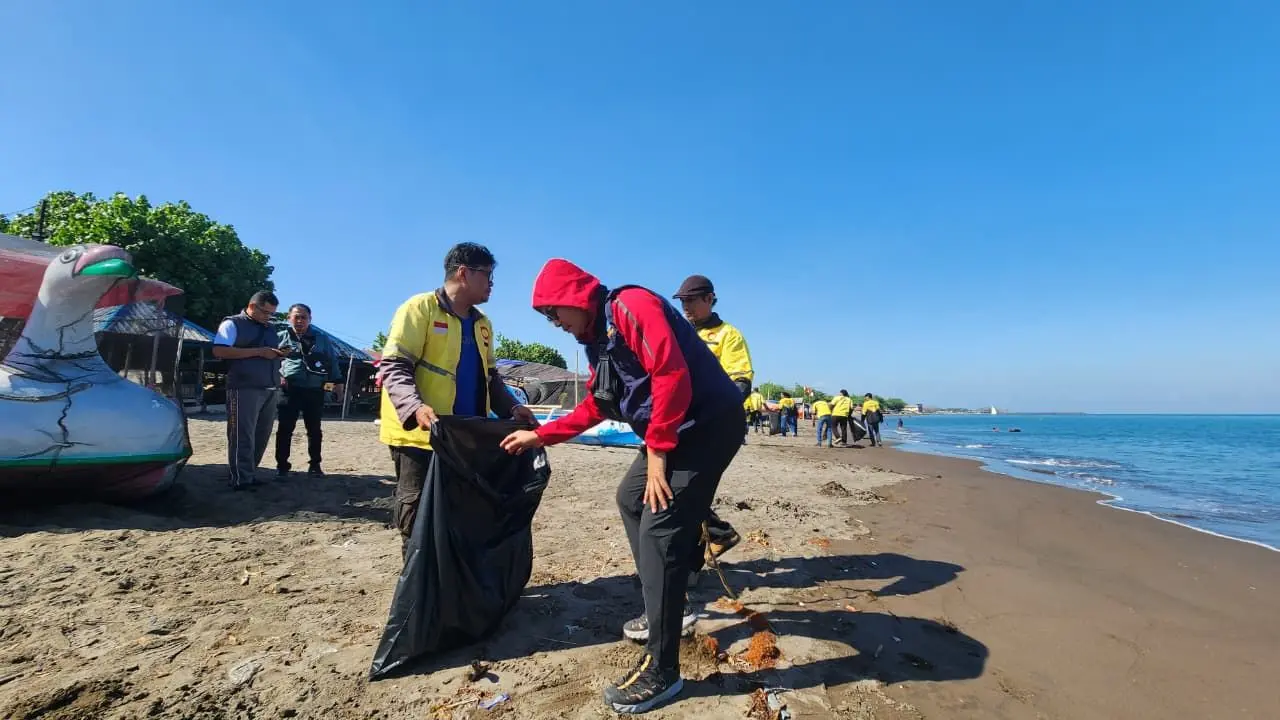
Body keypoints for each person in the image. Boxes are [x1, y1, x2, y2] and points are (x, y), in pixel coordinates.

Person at [501, 259, 744, 715]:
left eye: (554, 313)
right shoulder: (597, 341)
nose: (555, 324)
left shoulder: (631, 305)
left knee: (660, 527)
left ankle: (663, 670)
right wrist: (541, 434)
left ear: (575, 298)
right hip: (676, 430)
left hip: (709, 425)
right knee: (630, 499)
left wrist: (657, 452)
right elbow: (599, 402)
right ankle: (671, 604)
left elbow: (671, 372)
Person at [378, 243, 536, 559]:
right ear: (464, 273)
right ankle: (419, 590)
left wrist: (512, 408)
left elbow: (491, 379)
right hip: (419, 437)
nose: (492, 283)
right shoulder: (418, 309)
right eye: (488, 275)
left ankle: (454, 584)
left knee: (462, 512)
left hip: (466, 437)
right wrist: (413, 407)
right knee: (417, 513)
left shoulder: (482, 324)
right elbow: (394, 365)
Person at [672, 274, 750, 560]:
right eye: (682, 302)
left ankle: (692, 562)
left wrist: (712, 413)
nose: (686, 307)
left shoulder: (728, 335)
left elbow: (740, 382)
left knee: (687, 489)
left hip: (712, 427)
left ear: (710, 298)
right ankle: (717, 534)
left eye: (692, 300)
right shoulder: (680, 332)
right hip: (681, 423)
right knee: (677, 487)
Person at [213, 291, 288, 490]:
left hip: (270, 386)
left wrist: (278, 355)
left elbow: (266, 354)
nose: (268, 317)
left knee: (261, 434)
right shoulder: (232, 324)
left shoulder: (271, 329)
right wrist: (259, 352)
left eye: (271, 314)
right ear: (252, 306)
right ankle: (240, 478)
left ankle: (249, 473)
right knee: (242, 434)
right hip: (244, 387)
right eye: (265, 312)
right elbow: (219, 350)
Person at [275, 303, 344, 478]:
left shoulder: (322, 339)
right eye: (296, 317)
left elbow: (332, 362)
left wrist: (338, 385)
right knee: (285, 429)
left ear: (310, 319)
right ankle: (282, 466)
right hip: (288, 389)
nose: (299, 321)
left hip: (315, 389)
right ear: (289, 318)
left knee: (314, 429)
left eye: (303, 317)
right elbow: (270, 360)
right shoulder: (280, 337)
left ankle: (315, 465)